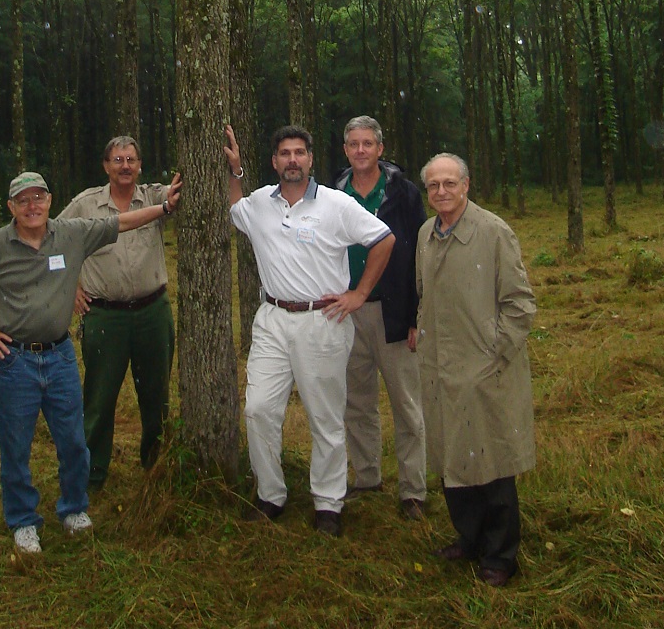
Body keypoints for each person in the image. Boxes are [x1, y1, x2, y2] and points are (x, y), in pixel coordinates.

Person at [0, 168, 182, 556]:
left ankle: (74, 509)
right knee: (16, 446)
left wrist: (163, 208)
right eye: (23, 200)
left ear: (50, 201)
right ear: (11, 207)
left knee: (73, 441)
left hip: (59, 357)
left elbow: (120, 222)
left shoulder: (70, 234)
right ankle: (23, 522)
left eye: (38, 198)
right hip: (15, 362)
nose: (32, 206)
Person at [224, 123, 395, 537]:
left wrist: (359, 293)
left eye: (300, 152)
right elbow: (237, 212)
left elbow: (383, 239)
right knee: (258, 409)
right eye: (285, 153)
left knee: (325, 417)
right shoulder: (261, 201)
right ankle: (270, 494)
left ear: (311, 159)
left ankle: (328, 503)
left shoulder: (336, 205)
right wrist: (235, 172)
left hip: (323, 321)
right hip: (271, 320)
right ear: (274, 161)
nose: (292, 160)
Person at [416, 153, 535, 587]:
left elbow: (520, 304)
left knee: (493, 460)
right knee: (453, 457)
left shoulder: (493, 232)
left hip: (484, 370)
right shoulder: (425, 234)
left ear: (466, 185)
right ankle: (469, 539)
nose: (441, 192)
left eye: (450, 183)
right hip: (440, 367)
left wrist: (494, 356)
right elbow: (423, 295)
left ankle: (501, 556)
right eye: (433, 185)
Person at [59, 136, 175, 491]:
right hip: (104, 317)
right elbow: (50, 241)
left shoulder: (156, 197)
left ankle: (154, 466)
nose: (125, 166)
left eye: (131, 159)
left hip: (152, 313)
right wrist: (70, 288)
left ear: (140, 165)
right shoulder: (85, 205)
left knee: (156, 398)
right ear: (105, 166)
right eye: (117, 159)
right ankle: (91, 475)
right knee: (99, 399)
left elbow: (190, 185)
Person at [334, 115, 427, 519]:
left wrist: (416, 315)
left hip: (394, 311)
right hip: (347, 313)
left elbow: (421, 254)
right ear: (345, 150)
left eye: (367, 144)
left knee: (407, 405)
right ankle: (367, 477)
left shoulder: (403, 194)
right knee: (357, 402)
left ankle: (413, 491)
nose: (360, 151)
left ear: (380, 149)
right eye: (353, 144)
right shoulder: (332, 194)